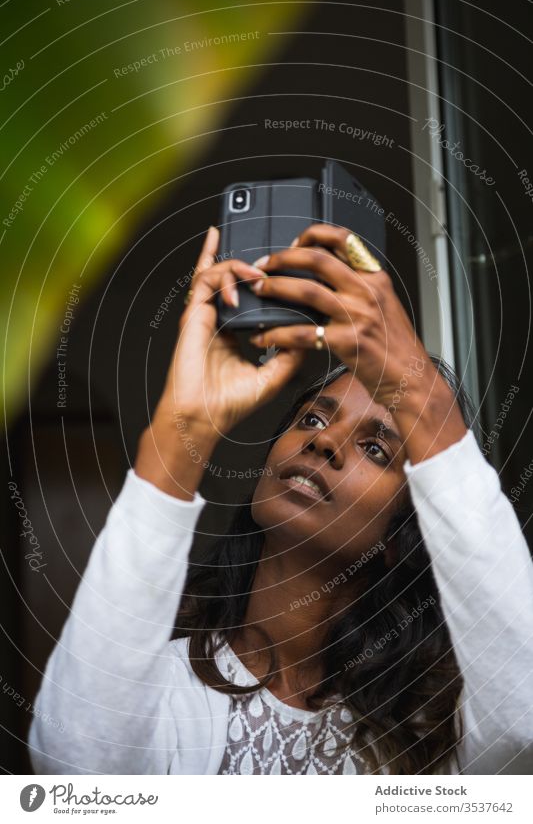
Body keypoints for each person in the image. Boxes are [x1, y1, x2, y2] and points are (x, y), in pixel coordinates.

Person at [29, 225, 533, 775]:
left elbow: (524, 722)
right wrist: (182, 430)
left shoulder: (435, 735)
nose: (322, 442)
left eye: (375, 449)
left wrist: (419, 395)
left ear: (403, 537)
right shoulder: (162, 690)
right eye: (313, 418)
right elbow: (73, 766)